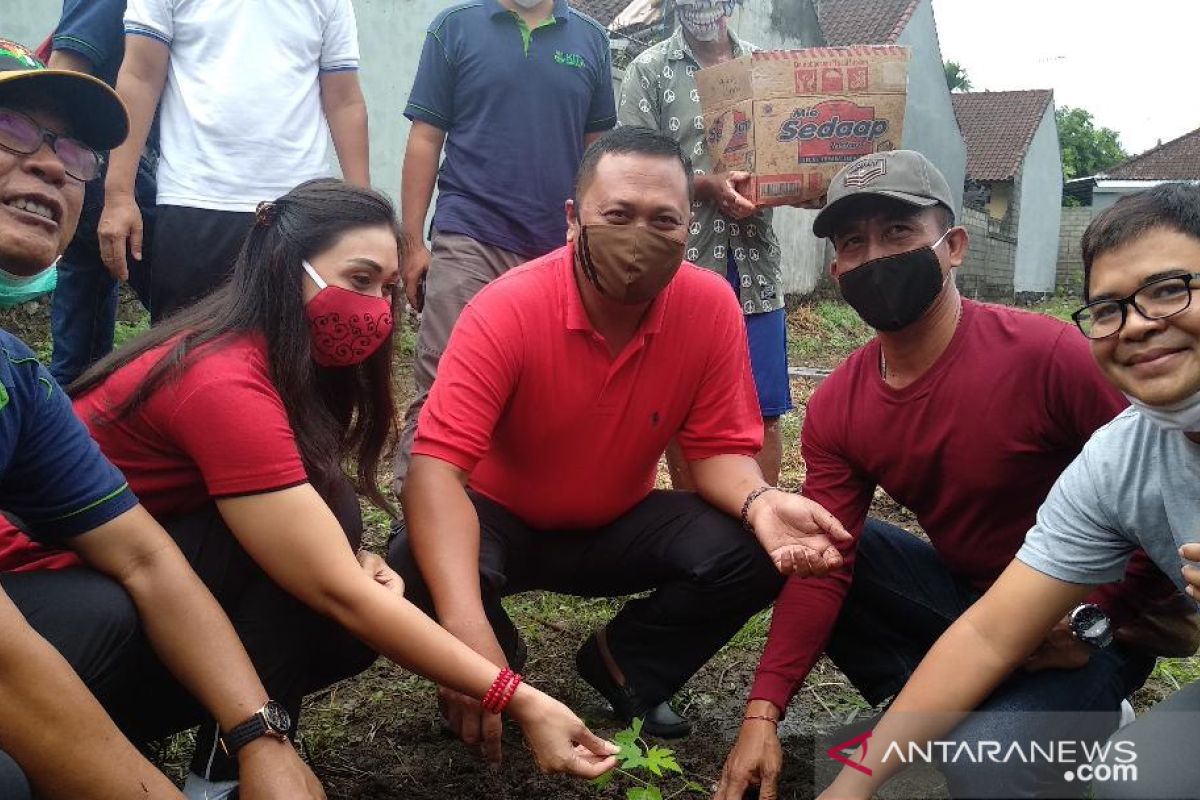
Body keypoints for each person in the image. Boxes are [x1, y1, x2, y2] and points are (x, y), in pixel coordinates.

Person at [3, 177, 618, 791]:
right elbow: (334, 589)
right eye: (358, 279)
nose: (377, 307)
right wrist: (520, 697)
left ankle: (242, 757)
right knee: (334, 580)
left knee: (339, 555)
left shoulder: (278, 364)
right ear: (283, 267)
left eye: (385, 287)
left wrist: (346, 560)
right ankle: (228, 764)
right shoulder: (220, 379)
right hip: (52, 597)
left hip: (128, 564)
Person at [714, 151, 1197, 800]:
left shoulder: (1050, 358)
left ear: (955, 246)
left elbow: (1152, 517)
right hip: (983, 606)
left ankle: (1071, 715)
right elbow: (839, 567)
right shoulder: (840, 405)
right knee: (815, 547)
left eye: (898, 233)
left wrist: (1097, 616)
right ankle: (925, 717)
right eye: (854, 242)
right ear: (836, 268)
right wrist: (763, 712)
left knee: (997, 761)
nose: (876, 257)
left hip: (1087, 618)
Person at [388, 127, 851, 755]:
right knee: (416, 557)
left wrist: (762, 503)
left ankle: (625, 664)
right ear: (574, 220)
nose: (640, 236)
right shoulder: (507, 308)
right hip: (497, 524)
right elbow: (435, 468)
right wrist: (468, 637)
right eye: (618, 215)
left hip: (615, 524)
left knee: (757, 544)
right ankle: (499, 662)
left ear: (690, 228)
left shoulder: (709, 306)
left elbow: (717, 452)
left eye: (664, 219)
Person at [0, 36, 323, 800]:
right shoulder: (214, 370)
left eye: (71, 150)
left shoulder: (14, 373)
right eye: (11, 132)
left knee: (108, 609)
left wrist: (260, 737)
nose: (52, 164)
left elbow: (146, 557)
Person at [391, 0, 617, 491]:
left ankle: (521, 516)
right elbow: (425, 139)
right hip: (471, 232)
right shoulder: (455, 28)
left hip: (557, 247)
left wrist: (594, 239)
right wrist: (411, 245)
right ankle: (416, 529)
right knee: (444, 385)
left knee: (549, 392)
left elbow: (598, 155)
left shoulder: (591, 40)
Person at [98, 0, 370, 322]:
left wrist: (364, 218)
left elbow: (343, 100)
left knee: (290, 360)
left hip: (296, 211)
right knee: (185, 356)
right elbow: (140, 77)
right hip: (194, 202)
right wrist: (118, 195)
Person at [618, 0, 792, 486]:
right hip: (682, 268)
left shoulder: (766, 70)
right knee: (683, 414)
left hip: (755, 267)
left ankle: (761, 537)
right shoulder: (649, 71)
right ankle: (699, 539)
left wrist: (786, 185)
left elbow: (793, 156)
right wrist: (706, 185)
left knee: (764, 409)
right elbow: (630, 172)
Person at [44, 0, 158, 385]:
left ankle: (71, 428)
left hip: (93, 167)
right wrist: (60, 167)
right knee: (189, 318)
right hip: (108, 167)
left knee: (80, 352)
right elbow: (66, 66)